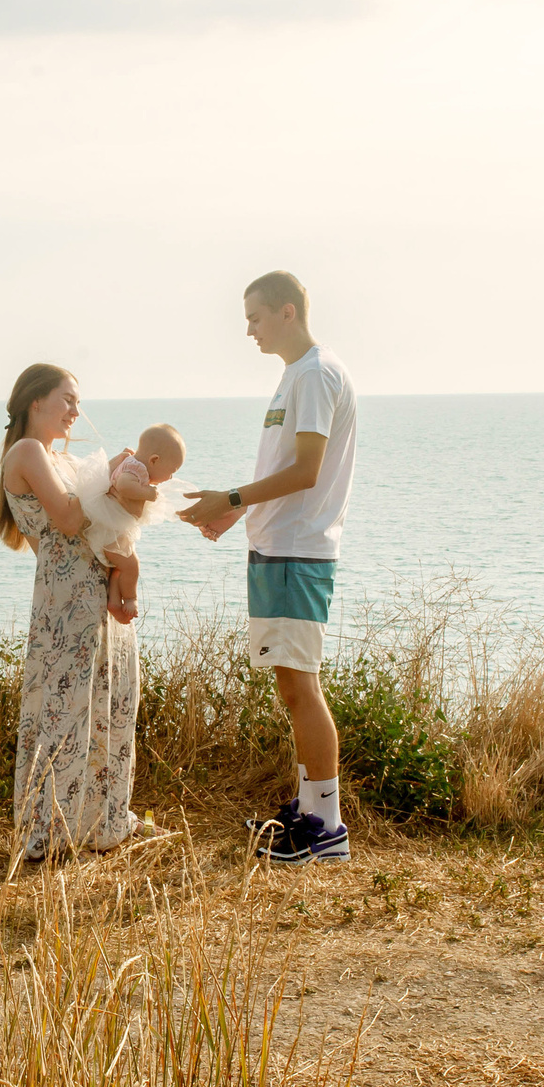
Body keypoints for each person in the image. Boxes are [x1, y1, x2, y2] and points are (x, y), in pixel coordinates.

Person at [179, 271, 358, 863]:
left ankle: (326, 826)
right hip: (280, 544)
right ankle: (310, 810)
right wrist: (238, 515)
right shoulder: (296, 375)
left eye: (255, 317)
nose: (248, 329)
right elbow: (288, 468)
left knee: (301, 683)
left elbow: (307, 470)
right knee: (290, 682)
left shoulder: (313, 373)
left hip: (298, 550)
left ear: (288, 311)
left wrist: (231, 499)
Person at [0, 364, 143, 862]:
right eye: (68, 400)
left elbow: (97, 520)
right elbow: (70, 517)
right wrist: (108, 479)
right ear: (36, 401)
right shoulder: (28, 452)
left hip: (93, 586)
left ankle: (101, 821)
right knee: (64, 710)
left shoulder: (58, 457)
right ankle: (50, 832)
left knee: (109, 703)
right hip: (66, 598)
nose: (77, 412)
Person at [68, 422, 189, 624]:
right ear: (155, 460)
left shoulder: (135, 465)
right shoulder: (137, 468)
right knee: (132, 565)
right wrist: (147, 493)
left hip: (111, 528)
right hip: (109, 529)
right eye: (172, 470)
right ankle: (131, 599)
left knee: (121, 566)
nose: (171, 477)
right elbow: (123, 485)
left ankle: (115, 601)